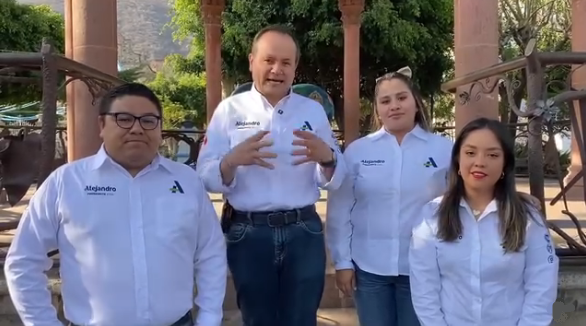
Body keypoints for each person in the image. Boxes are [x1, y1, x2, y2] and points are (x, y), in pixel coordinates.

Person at [4, 83, 228, 326]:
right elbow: (23, 261)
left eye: (148, 120)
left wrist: (209, 318)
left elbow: (210, 254)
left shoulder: (187, 182)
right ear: (102, 125)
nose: (137, 128)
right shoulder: (66, 183)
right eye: (124, 119)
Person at [196, 25, 345, 326]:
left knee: (302, 318)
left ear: (295, 68)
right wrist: (230, 162)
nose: (277, 70)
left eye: (286, 63)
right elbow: (204, 175)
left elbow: (337, 176)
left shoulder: (313, 112)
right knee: (257, 318)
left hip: (304, 230)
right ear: (252, 61)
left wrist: (327, 158)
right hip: (249, 233)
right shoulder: (229, 110)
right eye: (269, 60)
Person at [325, 67, 452, 326]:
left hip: (424, 268)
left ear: (416, 102)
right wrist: (342, 262)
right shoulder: (357, 152)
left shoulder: (444, 150)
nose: (394, 106)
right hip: (369, 268)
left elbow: (462, 202)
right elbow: (340, 211)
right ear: (377, 109)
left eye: (401, 98)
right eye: (385, 101)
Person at [409, 117, 559, 326]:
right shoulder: (432, 215)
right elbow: (424, 289)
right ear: (457, 162)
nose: (480, 161)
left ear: (505, 164)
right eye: (470, 153)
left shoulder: (527, 218)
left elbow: (541, 287)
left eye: (492, 155)